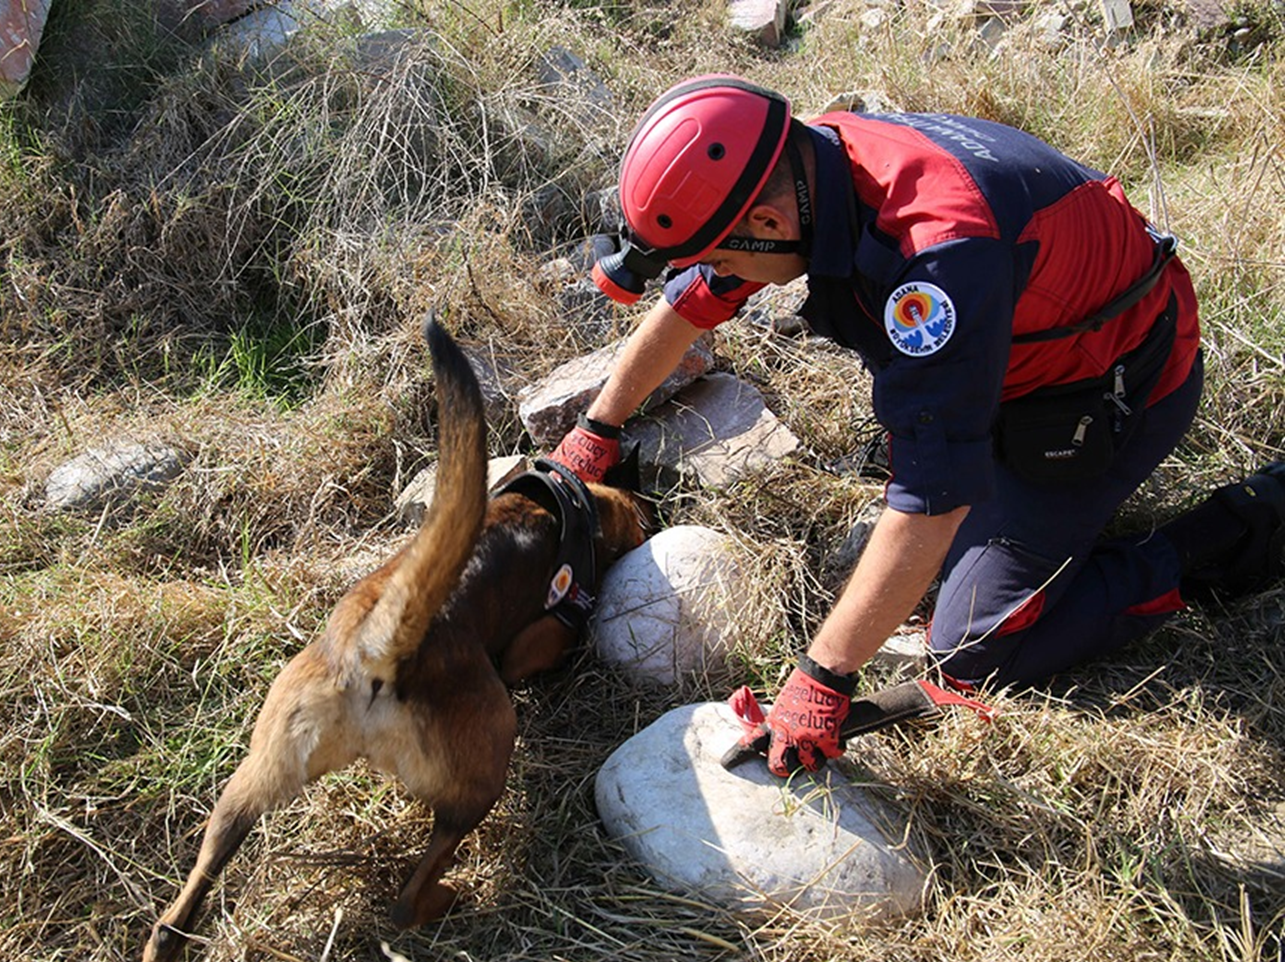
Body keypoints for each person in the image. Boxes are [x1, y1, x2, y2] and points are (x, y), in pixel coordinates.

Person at [548, 75, 1285, 774]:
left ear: (768, 224)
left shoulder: (940, 256)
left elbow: (932, 496)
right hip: (1009, 361)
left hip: (1111, 389)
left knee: (977, 648)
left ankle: (1222, 537)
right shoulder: (804, 168)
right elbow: (692, 300)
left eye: (727, 253)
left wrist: (824, 673)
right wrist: (597, 429)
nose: (725, 272)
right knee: (937, 544)